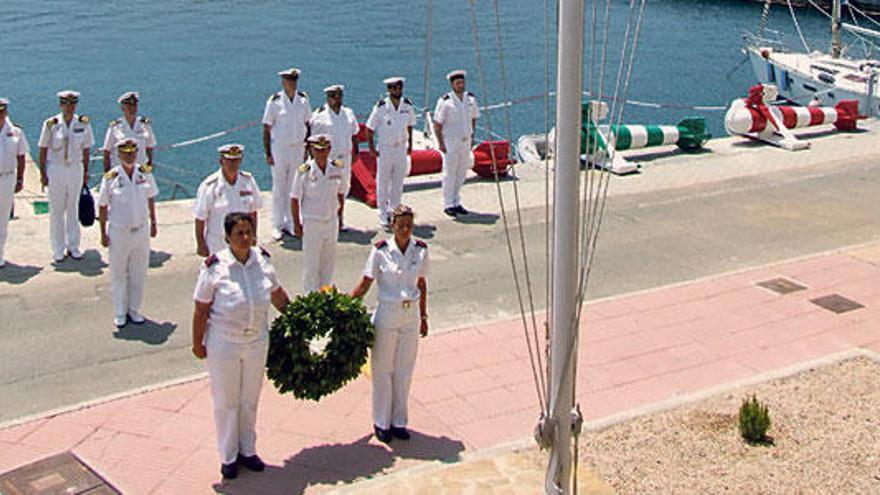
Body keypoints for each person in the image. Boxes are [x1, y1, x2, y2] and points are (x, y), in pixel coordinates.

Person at [192, 212, 290, 480]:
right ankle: (228, 456)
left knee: (249, 400)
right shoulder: (215, 267)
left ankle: (248, 450)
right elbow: (201, 309)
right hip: (224, 342)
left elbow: (278, 296)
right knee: (226, 402)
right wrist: (197, 344)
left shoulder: (263, 261)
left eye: (249, 232)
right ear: (226, 237)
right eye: (239, 234)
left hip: (256, 341)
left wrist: (298, 318)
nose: (246, 238)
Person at [351, 205, 429, 443]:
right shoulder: (381, 251)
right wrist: (345, 307)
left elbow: (421, 284)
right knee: (382, 370)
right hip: (387, 312)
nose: (405, 230)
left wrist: (424, 317)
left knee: (404, 370)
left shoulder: (421, 250)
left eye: (409, 225)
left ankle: (399, 421)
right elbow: (366, 283)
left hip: (410, 314)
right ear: (392, 226)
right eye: (401, 225)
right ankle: (381, 422)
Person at [97, 138, 158, 328]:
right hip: (119, 232)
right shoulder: (111, 178)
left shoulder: (144, 174)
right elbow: (102, 206)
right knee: (118, 273)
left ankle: (134, 309)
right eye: (125, 153)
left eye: (132, 152)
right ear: (118, 154)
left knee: (139, 272)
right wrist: (103, 233)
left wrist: (154, 221)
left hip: (141, 230)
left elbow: (151, 198)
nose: (129, 156)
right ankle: (120, 312)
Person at [38, 90, 94, 262]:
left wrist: (85, 172)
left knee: (73, 208)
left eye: (72, 103)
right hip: (56, 169)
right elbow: (42, 149)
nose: (69, 107)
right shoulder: (51, 124)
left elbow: (86, 149)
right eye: (66, 103)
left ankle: (74, 246)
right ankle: (57, 249)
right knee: (56, 211)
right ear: (61, 105)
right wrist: (43, 173)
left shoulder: (83, 124)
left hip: (75, 168)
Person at [290, 134, 344, 292]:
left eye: (325, 149)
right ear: (312, 150)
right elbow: (294, 198)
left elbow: (340, 193)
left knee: (328, 264)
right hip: (312, 222)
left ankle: (325, 297)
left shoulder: (337, 167)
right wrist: (296, 224)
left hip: (331, 221)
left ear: (329, 149)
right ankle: (310, 299)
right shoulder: (304, 171)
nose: (321, 153)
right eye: (318, 150)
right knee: (311, 267)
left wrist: (340, 217)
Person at [262, 67, 312, 241]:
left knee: (294, 187)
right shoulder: (274, 102)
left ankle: (291, 222)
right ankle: (277, 224)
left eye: (294, 80)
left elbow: (308, 124)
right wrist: (268, 153)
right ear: (283, 82)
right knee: (279, 187)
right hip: (280, 149)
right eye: (289, 80)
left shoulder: (303, 100)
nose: (292, 83)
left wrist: (308, 148)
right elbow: (267, 129)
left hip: (298, 148)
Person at [193, 144, 262, 257]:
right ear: (221, 161)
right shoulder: (210, 186)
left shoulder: (248, 181)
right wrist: (201, 244)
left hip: (242, 241)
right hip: (218, 243)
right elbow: (200, 218)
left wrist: (253, 236)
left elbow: (253, 212)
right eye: (229, 160)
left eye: (236, 160)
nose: (233, 164)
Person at [365, 77, 416, 229]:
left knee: (398, 182)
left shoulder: (407, 105)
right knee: (383, 182)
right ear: (389, 90)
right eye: (394, 88)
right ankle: (382, 213)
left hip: (400, 148)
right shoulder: (381, 107)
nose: (397, 91)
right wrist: (372, 148)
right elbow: (369, 129)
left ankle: (395, 211)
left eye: (399, 88)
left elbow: (410, 126)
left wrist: (410, 145)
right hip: (385, 149)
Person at [308, 84, 359, 230]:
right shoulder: (319, 116)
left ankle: (340, 220)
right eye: (333, 96)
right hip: (328, 159)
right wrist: (315, 161)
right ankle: (323, 220)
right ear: (327, 97)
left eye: (339, 95)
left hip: (345, 158)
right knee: (325, 190)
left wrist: (355, 152)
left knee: (343, 189)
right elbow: (312, 141)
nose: (336, 99)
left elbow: (354, 134)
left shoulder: (348, 113)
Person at [433, 70, 480, 217]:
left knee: (462, 172)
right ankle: (448, 203)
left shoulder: (470, 99)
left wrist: (472, 135)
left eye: (462, 82)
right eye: (457, 83)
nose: (461, 85)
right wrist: (440, 143)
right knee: (450, 172)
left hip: (465, 141)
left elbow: (474, 118)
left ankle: (456, 201)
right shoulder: (445, 101)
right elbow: (437, 124)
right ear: (452, 85)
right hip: (450, 141)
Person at [0, 98, 29, 268]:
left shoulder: (15, 132)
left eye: (2, 111)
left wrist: (20, 179)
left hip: (7, 177)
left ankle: (0, 253)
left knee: (3, 218)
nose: (0, 115)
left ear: (6, 112)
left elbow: (21, 156)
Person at [102, 91, 157, 172]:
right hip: (120, 171)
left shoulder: (145, 125)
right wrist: (107, 173)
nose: (132, 108)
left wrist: (149, 166)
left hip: (141, 170)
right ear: (122, 107)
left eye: (134, 105)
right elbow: (107, 151)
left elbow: (149, 147)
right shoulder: (115, 127)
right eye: (128, 106)